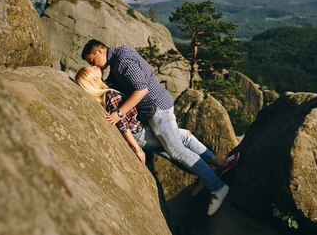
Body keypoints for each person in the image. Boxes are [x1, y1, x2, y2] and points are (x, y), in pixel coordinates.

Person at [81, 39, 237, 216]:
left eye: (92, 61)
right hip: (153, 111)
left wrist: (119, 114)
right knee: (181, 140)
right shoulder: (118, 58)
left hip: (156, 109)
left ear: (100, 51)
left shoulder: (122, 61)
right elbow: (112, 83)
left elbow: (141, 90)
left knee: (176, 151)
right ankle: (217, 166)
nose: (95, 66)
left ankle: (217, 187)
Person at [74, 65, 237, 179]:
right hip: (140, 134)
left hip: (142, 131)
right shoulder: (110, 95)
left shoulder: (105, 93)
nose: (95, 67)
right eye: (92, 69)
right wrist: (137, 149)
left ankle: (210, 172)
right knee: (185, 138)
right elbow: (122, 125)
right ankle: (217, 173)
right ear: (93, 80)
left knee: (175, 150)